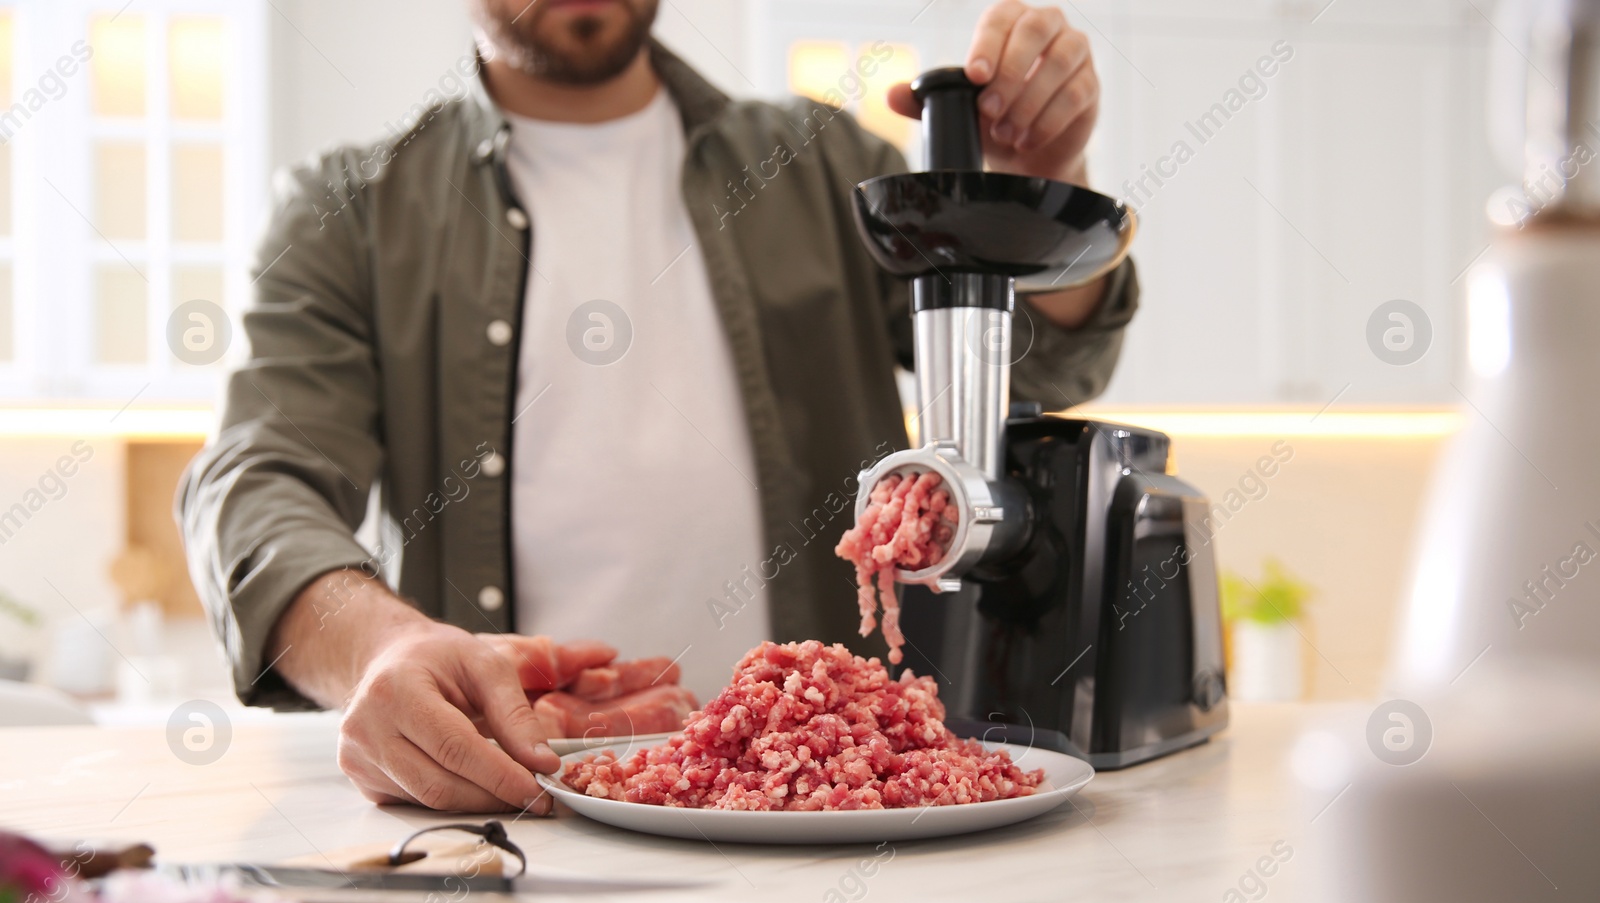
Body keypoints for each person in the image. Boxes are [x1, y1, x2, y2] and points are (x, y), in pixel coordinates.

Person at [179, 0, 1139, 813]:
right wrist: (380, 646)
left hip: (844, 809)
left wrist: (1027, 193)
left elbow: (1049, 361)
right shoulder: (356, 207)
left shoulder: (814, 163)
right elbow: (257, 481)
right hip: (523, 811)